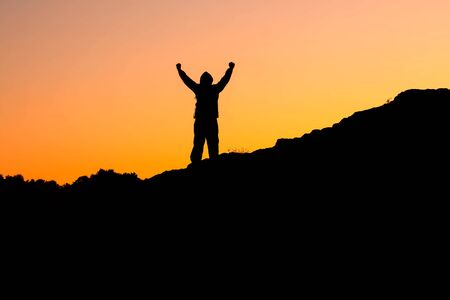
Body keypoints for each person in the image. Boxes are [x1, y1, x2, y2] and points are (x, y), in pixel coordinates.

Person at [176, 62, 235, 163]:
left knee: (201, 143)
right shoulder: (214, 89)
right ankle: (207, 161)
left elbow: (187, 80)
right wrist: (230, 69)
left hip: (202, 121)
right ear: (210, 81)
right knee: (209, 143)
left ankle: (197, 162)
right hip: (209, 121)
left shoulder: (200, 89)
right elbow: (225, 80)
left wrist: (179, 70)